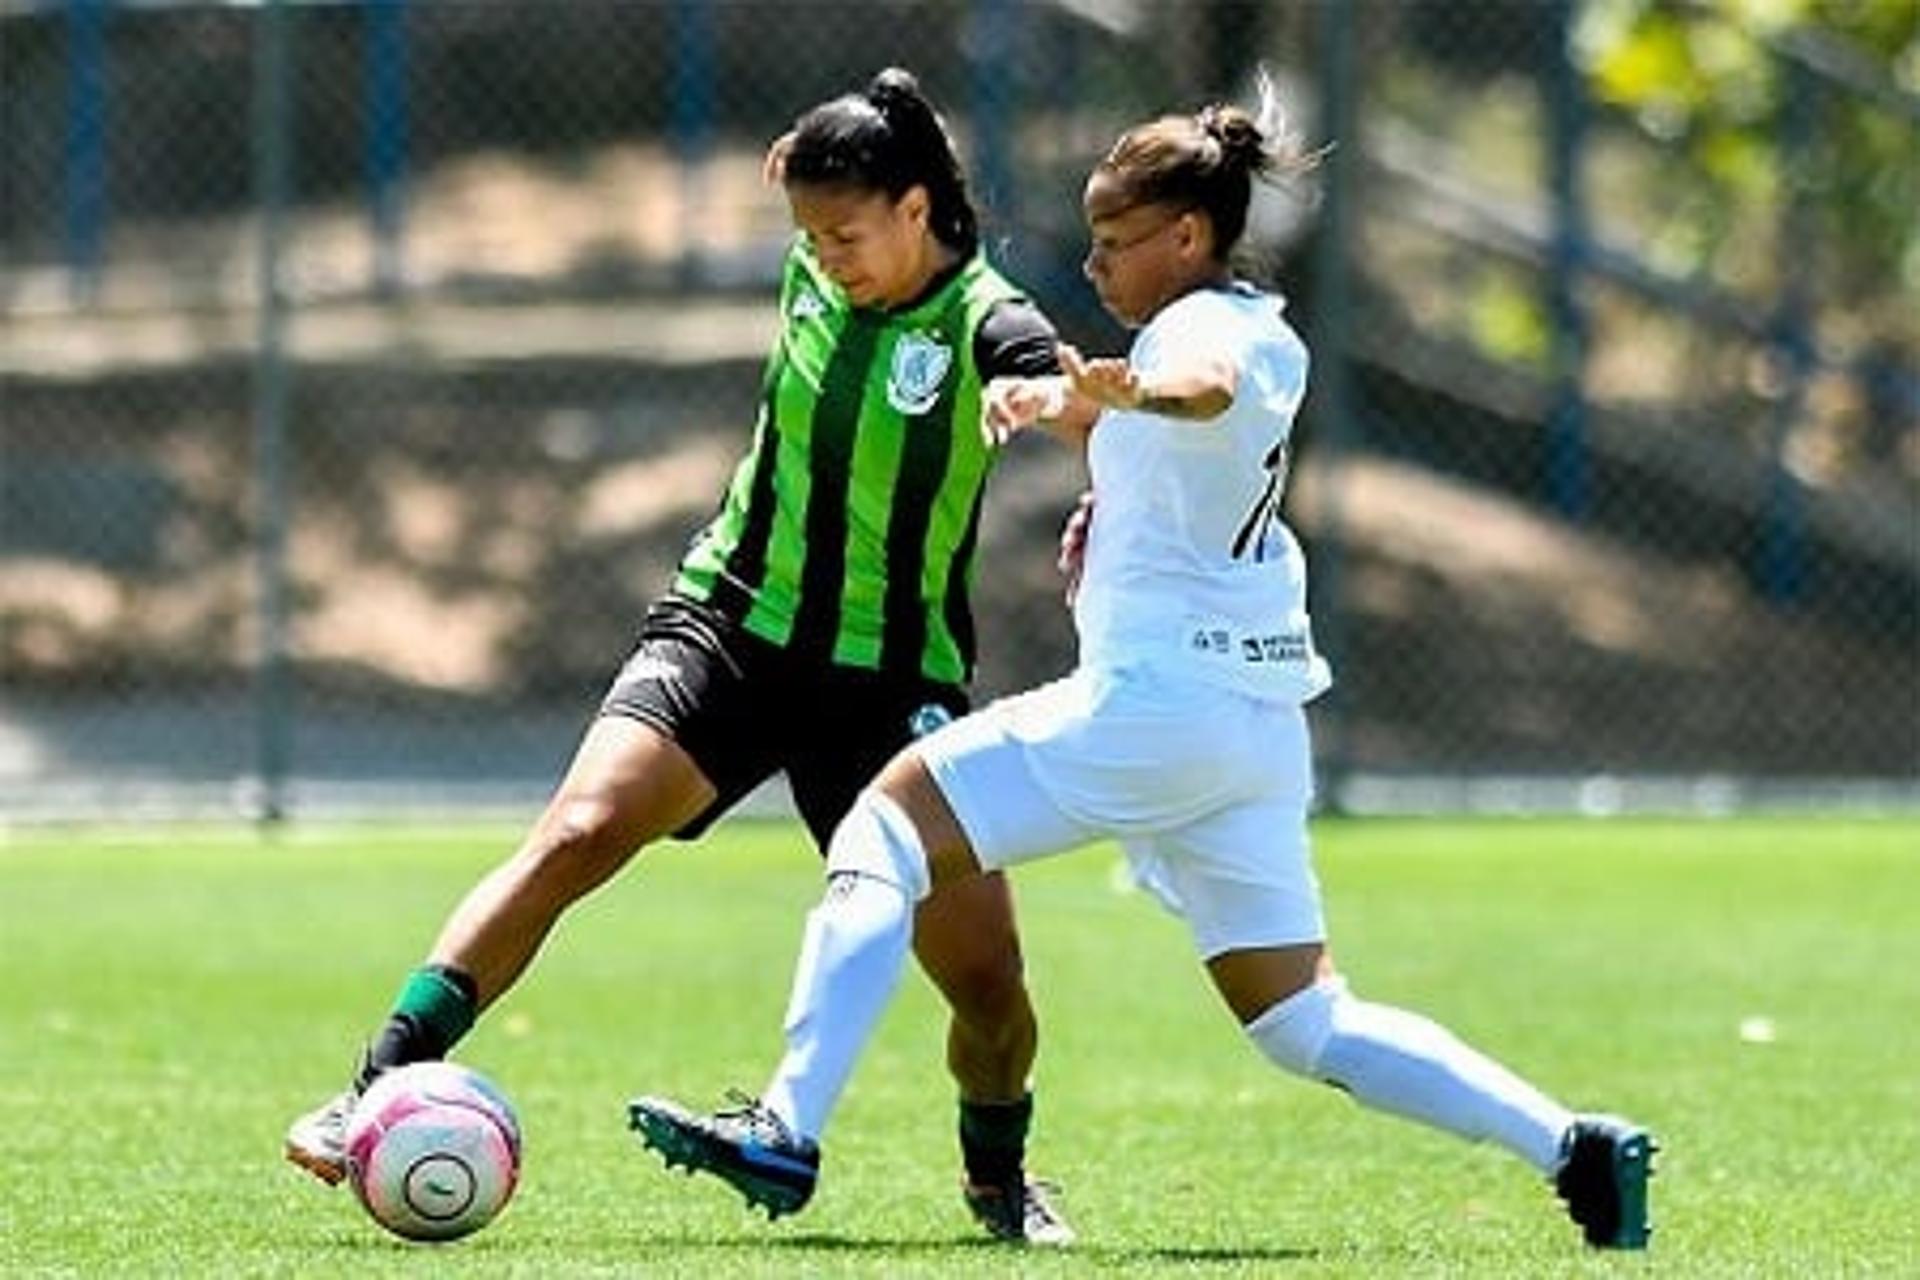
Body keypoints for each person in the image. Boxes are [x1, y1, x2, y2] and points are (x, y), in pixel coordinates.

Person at [628, 77, 1658, 1251]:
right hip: (1248, 729)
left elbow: (1200, 389)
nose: (1098, 264)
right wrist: (1076, 416)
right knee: (1304, 1020)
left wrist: (1132, 393)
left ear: (1188, 236)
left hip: (1159, 709)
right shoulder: (1223, 333)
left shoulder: (1211, 333)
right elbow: (1191, 449)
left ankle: (787, 1125)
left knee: (881, 828)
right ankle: (1576, 1146)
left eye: (1118, 242)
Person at [284, 67, 1077, 1247]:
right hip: (730, 626)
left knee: (987, 982)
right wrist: (809, 155)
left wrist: (1046, 397)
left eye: (848, 231)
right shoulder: (815, 260)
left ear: (919, 210)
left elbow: (1041, 362)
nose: (826, 253)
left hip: (889, 682)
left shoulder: (982, 321)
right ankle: (370, 1085)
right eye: (811, 230)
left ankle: (999, 1176)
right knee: (579, 828)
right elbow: (854, 146)